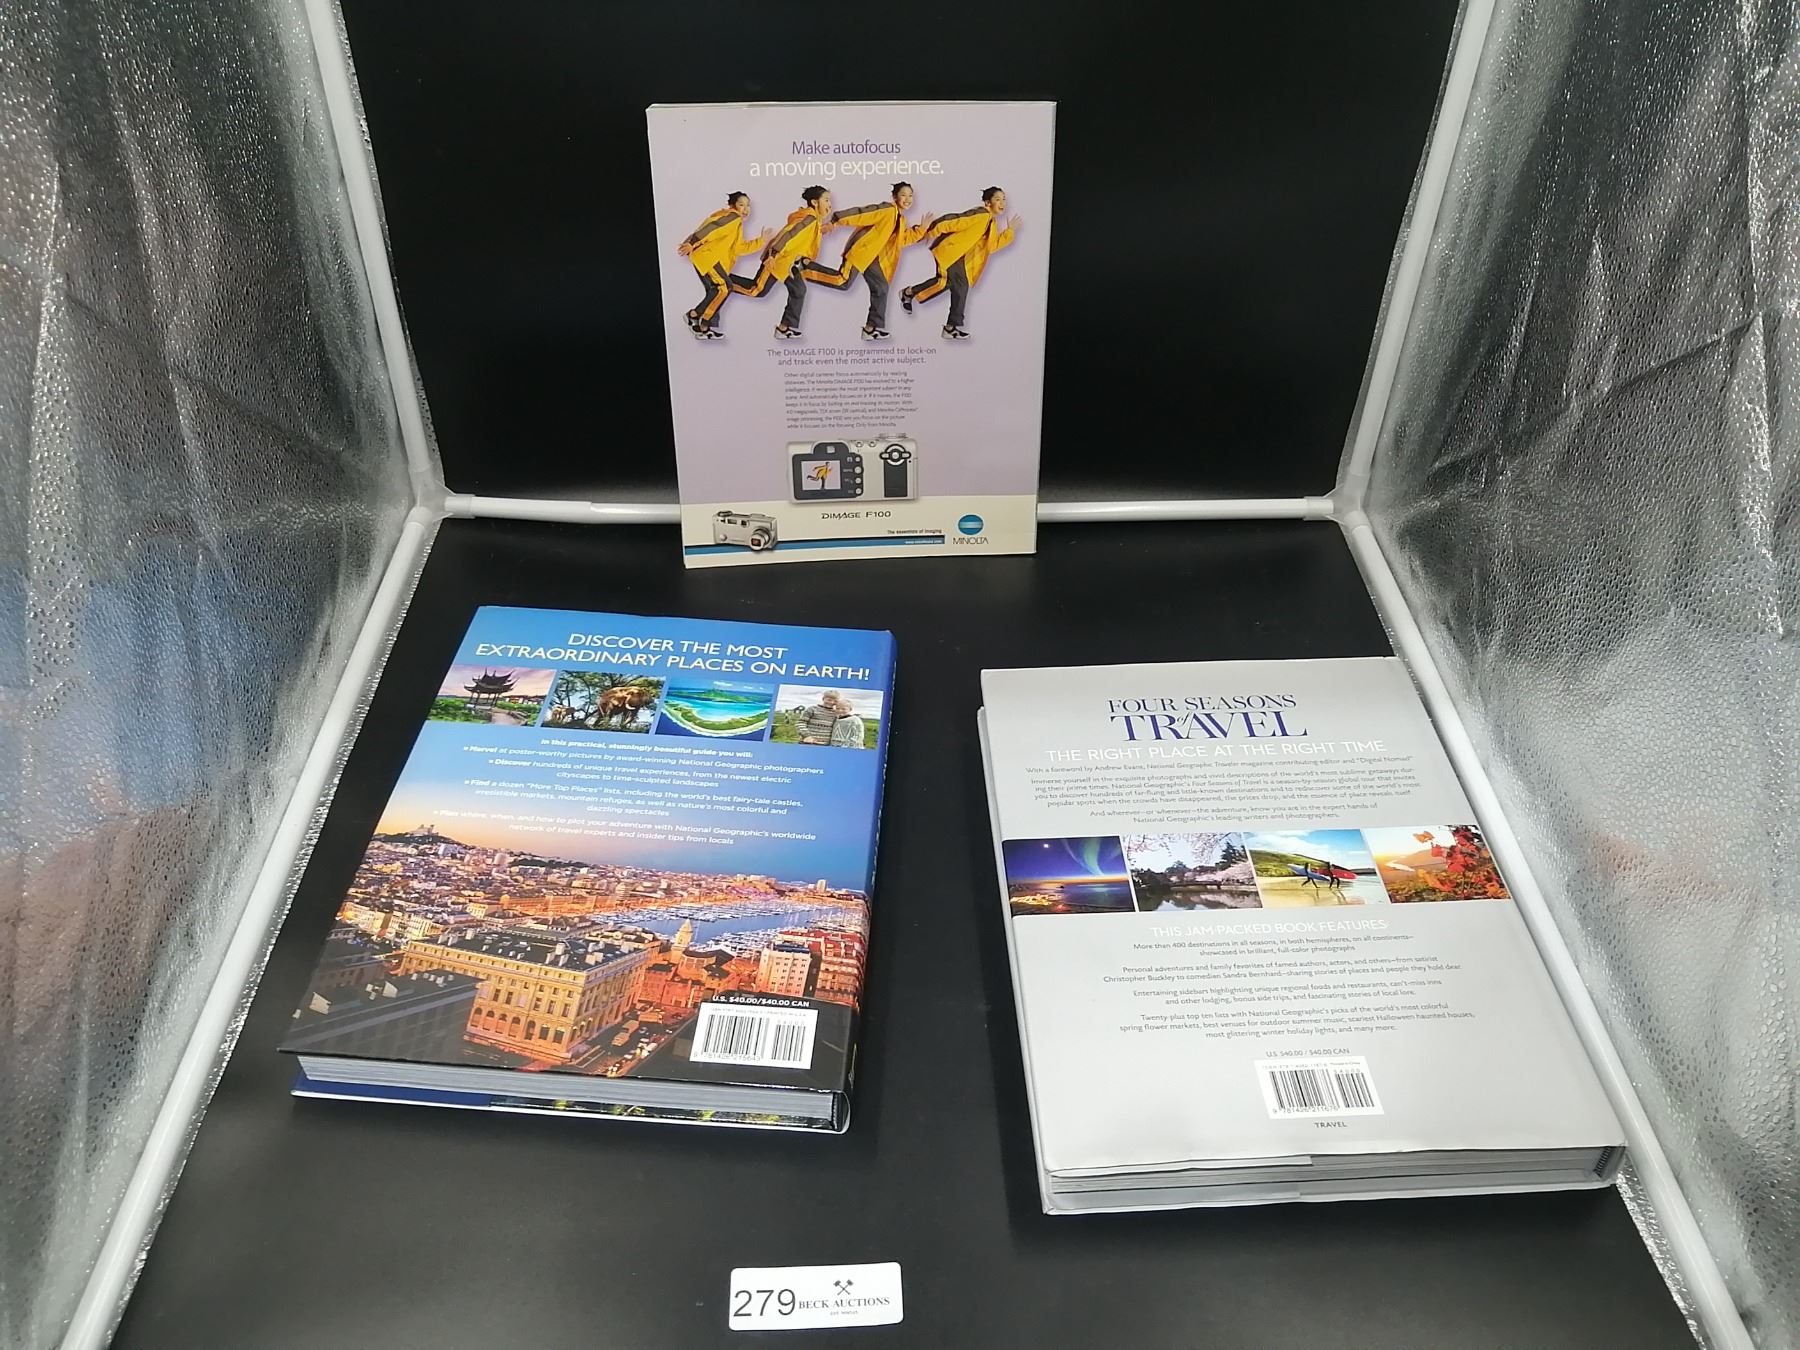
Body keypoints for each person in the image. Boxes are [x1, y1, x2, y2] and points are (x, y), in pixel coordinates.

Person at [797, 181, 933, 341]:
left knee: (881, 288)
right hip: (860, 252)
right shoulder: (887, 210)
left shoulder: (899, 219)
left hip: (872, 258)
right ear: (895, 197)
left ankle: (872, 329)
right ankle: (805, 267)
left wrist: (922, 229)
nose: (907, 199)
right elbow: (861, 214)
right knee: (843, 282)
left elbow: (901, 240)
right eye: (903, 195)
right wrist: (835, 222)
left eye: (910, 195)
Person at [900, 185, 1020, 340]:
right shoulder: (981, 214)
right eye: (998, 199)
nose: (1002, 203)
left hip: (959, 258)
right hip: (950, 253)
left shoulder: (990, 222)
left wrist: (1009, 232)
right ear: (987, 202)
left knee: (960, 287)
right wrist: (929, 231)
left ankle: (950, 327)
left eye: (1004, 199)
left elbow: (991, 246)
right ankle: (908, 293)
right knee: (944, 282)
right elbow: (953, 220)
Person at [729, 186, 838, 339]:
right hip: (777, 260)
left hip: (791, 264)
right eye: (826, 200)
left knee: (798, 290)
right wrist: (772, 255)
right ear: (814, 202)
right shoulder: (809, 219)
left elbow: (803, 240)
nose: (830, 204)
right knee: (757, 290)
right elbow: (788, 235)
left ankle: (784, 328)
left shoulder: (815, 220)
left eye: (829, 200)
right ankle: (723, 281)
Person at [676, 191, 769, 339]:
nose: (746, 209)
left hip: (704, 257)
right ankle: (694, 315)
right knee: (725, 287)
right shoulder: (732, 217)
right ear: (733, 205)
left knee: (716, 291)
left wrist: (761, 240)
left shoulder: (735, 222)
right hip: (708, 257)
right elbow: (712, 228)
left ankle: (704, 328)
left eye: (748, 205)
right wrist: (692, 243)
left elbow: (739, 248)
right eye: (741, 205)